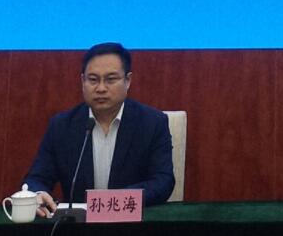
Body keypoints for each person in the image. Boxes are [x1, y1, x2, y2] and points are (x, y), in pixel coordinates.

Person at [21, 42, 175, 216]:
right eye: (93, 80)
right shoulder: (62, 126)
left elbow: (163, 181)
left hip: (132, 225)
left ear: (128, 81)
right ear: (83, 81)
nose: (101, 88)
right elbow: (36, 179)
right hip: (78, 228)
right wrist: (37, 194)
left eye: (111, 79)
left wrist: (112, 203)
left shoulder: (152, 123)